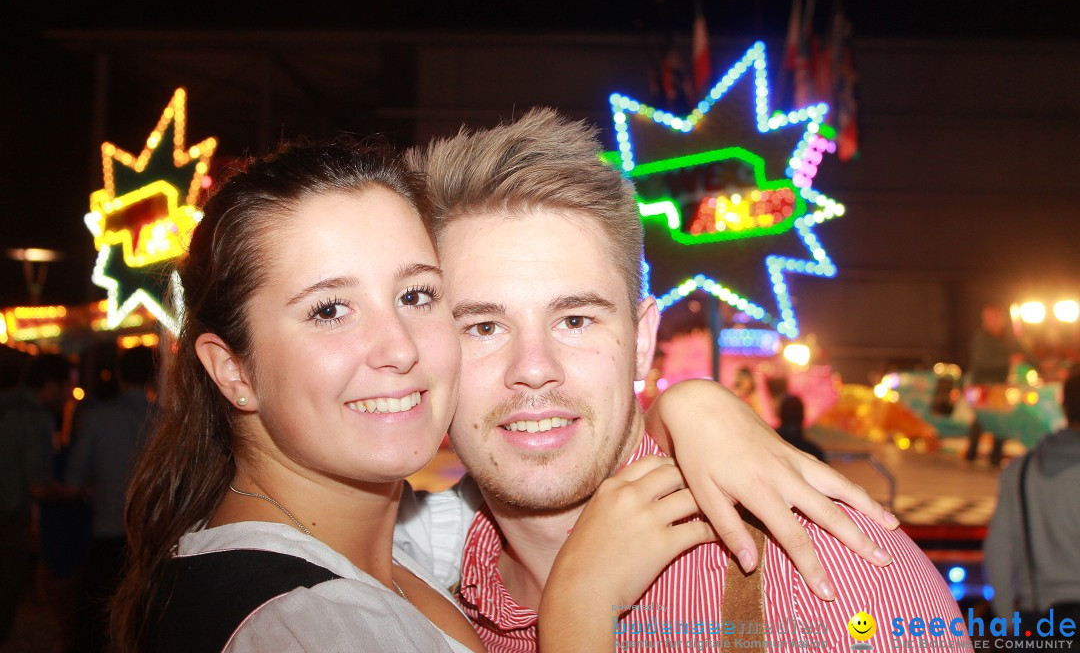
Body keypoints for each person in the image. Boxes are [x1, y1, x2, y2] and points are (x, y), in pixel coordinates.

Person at [109, 139, 717, 653]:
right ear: (233, 370)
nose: (399, 348)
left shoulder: (399, 541)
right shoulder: (299, 627)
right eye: (329, 310)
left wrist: (691, 409)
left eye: (416, 296)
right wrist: (579, 612)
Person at [400, 108, 968, 650]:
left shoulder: (828, 580)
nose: (533, 369)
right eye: (480, 326)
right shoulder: (399, 585)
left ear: (642, 342)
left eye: (575, 320)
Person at [67, 345, 157, 652]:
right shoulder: (165, 419)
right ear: (153, 376)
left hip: (107, 527)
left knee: (96, 622)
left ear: (118, 374)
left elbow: (75, 474)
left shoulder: (98, 416)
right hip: (150, 535)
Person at [984, 370, 1080, 623]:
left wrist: (1006, 618)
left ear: (1064, 406)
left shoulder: (1021, 469)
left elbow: (999, 548)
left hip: (1038, 617)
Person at [0, 353, 74, 643]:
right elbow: (38, 486)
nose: (70, 394)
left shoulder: (5, 403)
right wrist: (75, 493)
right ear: (52, 385)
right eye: (68, 385)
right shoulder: (36, 417)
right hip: (7, 519)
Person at [965, 304, 1027, 464]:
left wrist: (1040, 365)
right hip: (982, 386)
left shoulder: (1007, 338)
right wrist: (1007, 362)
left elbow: (1024, 353)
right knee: (980, 419)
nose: (989, 322)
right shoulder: (981, 338)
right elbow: (982, 362)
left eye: (993, 318)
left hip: (1000, 386)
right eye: (986, 319)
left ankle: (995, 456)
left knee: (1001, 419)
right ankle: (971, 454)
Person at [777, 394, 826, 462]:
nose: (792, 415)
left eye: (795, 412)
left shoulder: (769, 445)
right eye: (790, 411)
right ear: (802, 416)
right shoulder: (813, 452)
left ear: (780, 414)